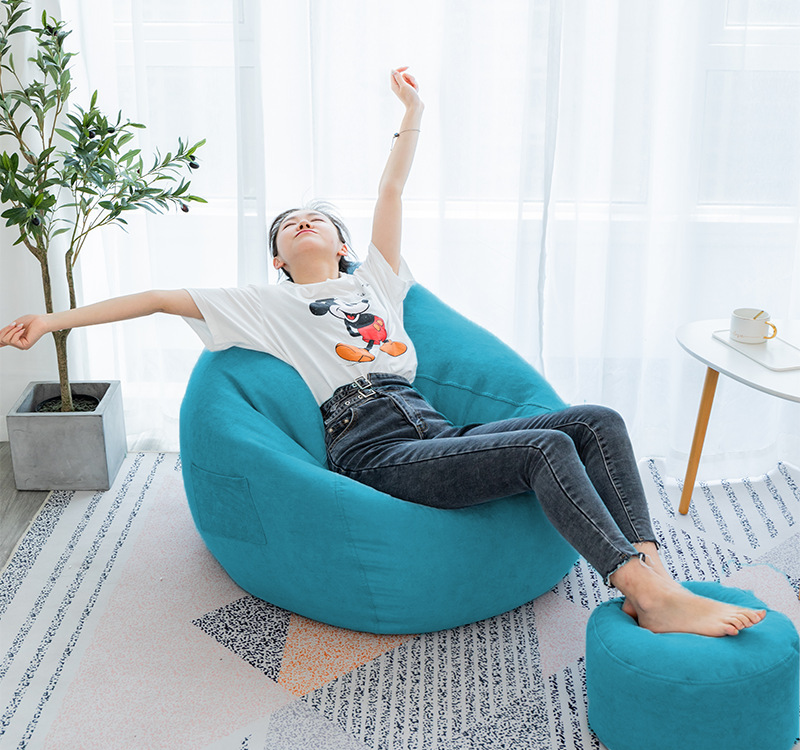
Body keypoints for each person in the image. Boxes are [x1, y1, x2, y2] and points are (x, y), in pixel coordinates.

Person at [1, 67, 765, 638]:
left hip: (433, 427)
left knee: (596, 421)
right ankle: (646, 592)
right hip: (371, 448)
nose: (303, 223)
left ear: (342, 245)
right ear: (277, 259)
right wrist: (53, 319)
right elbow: (158, 298)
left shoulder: (377, 283)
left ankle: (652, 578)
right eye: (288, 225)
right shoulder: (264, 306)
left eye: (318, 220)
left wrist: (413, 114)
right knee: (545, 450)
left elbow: (391, 194)